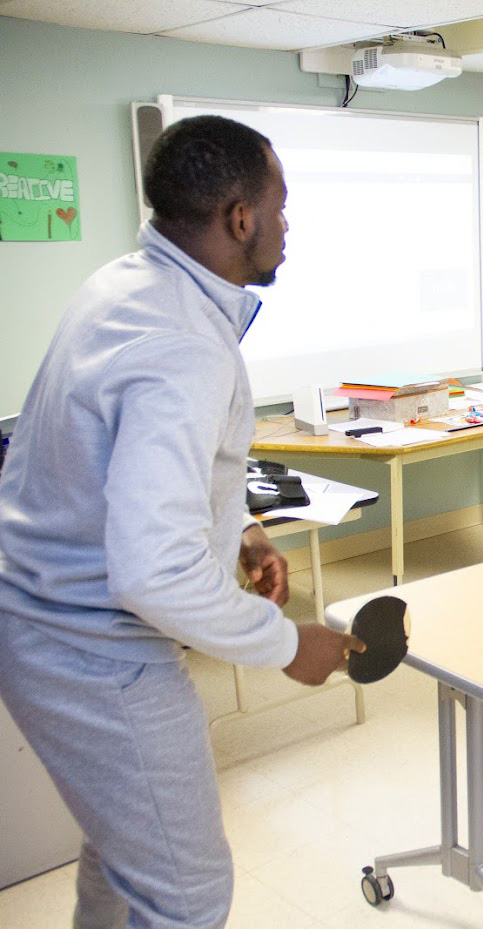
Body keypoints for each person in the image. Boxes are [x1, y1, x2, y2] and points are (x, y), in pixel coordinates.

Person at [0, 115, 364, 928]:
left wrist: (239, 526)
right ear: (240, 217)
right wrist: (285, 646)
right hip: (91, 649)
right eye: (280, 205)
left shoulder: (127, 285)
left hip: (39, 620)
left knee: (126, 854)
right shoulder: (184, 345)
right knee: (185, 894)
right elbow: (151, 571)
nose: (285, 224)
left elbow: (136, 463)